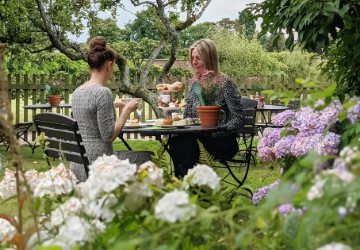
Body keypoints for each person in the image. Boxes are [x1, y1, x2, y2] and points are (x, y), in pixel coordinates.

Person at [169, 38, 244, 177]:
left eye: (199, 58)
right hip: (197, 137)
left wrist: (218, 131)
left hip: (222, 141)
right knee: (176, 140)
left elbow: (238, 119)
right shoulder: (194, 85)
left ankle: (189, 183)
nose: (194, 62)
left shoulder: (224, 83)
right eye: (192, 58)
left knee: (185, 144)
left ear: (209, 58)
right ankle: (186, 182)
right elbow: (188, 116)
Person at [70, 36, 141, 181]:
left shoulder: (77, 92)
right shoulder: (103, 92)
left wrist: (112, 105)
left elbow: (88, 112)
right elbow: (109, 136)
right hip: (99, 163)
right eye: (113, 67)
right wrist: (127, 109)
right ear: (109, 65)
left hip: (78, 162)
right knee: (145, 157)